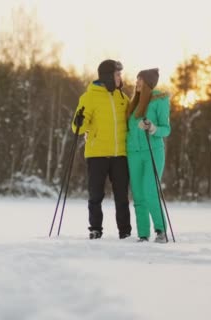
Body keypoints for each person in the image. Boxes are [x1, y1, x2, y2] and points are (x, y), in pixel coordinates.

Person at [71, 59, 132, 240]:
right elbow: (78, 129)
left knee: (122, 196)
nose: (121, 77)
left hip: (120, 154)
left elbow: (131, 122)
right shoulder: (89, 97)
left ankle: (125, 231)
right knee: (96, 194)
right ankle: (95, 229)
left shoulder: (123, 98)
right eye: (118, 74)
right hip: (97, 154)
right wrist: (79, 121)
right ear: (108, 76)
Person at [125, 68, 171, 243]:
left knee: (150, 190)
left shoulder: (160, 100)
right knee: (138, 194)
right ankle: (143, 234)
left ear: (148, 83)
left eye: (140, 80)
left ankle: (160, 231)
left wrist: (152, 127)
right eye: (137, 79)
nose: (137, 83)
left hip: (153, 151)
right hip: (133, 153)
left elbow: (167, 129)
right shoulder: (134, 102)